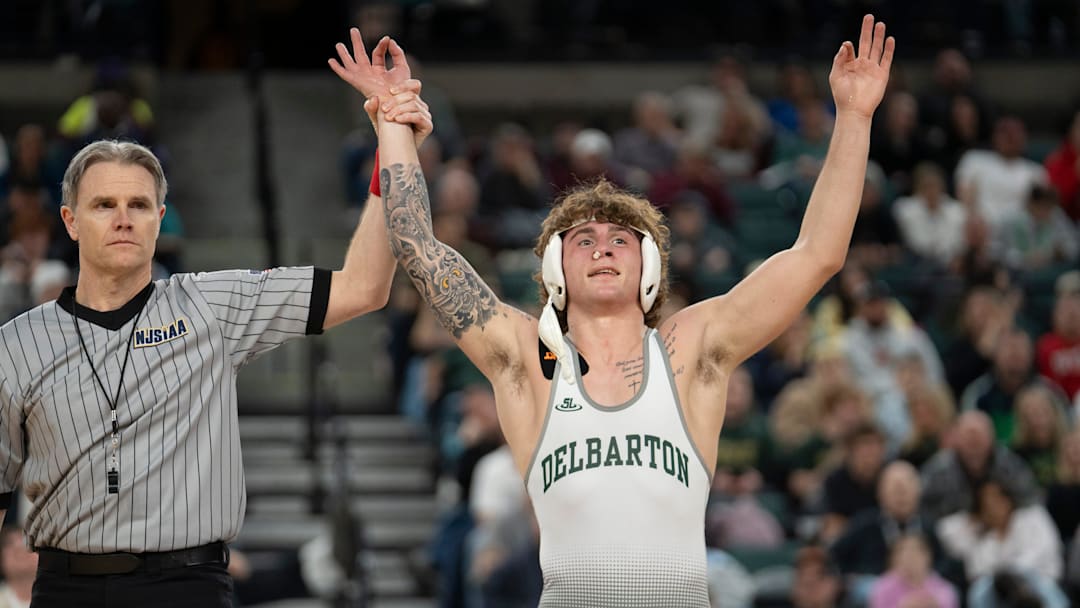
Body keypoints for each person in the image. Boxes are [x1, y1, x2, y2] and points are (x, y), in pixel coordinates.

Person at [332, 14, 895, 606]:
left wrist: (854, 119)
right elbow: (419, 249)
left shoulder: (691, 349)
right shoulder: (527, 358)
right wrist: (394, 125)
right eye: (583, 240)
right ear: (555, 271)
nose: (602, 246)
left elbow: (817, 255)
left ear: (648, 266)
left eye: (620, 239)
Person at [0, 34, 432, 607]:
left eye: (139, 206)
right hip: (67, 588)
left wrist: (392, 140)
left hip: (190, 586)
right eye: (104, 205)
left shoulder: (211, 305)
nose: (123, 219)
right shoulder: (17, 342)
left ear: (161, 218)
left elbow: (364, 287)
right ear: (71, 221)